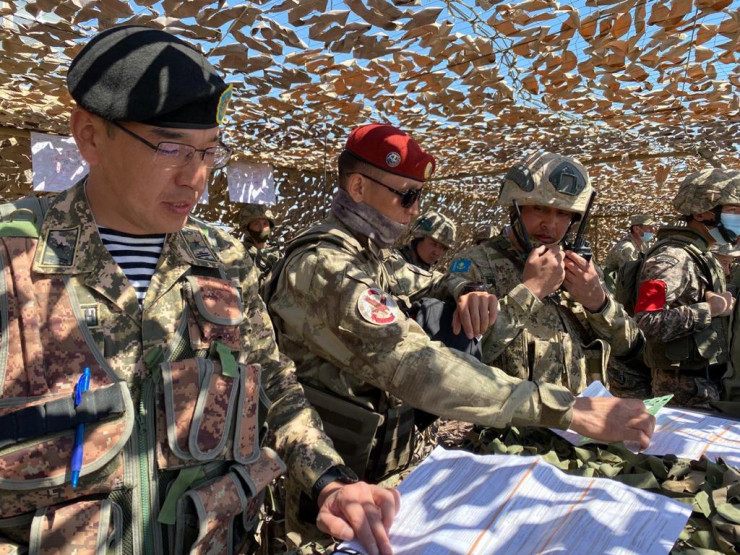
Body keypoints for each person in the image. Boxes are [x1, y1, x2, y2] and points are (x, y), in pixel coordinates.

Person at [0, 26, 398, 555]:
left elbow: (273, 386)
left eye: (210, 152)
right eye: (172, 148)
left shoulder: (223, 259)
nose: (197, 177)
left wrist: (330, 481)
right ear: (90, 136)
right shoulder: (14, 258)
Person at [267, 124, 655, 486]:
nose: (415, 211)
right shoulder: (326, 266)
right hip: (332, 480)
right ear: (357, 187)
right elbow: (419, 367)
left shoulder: (374, 257)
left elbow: (429, 279)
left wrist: (596, 302)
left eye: (563, 214)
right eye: (408, 196)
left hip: (383, 465)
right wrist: (569, 408)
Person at [448, 151, 645, 396]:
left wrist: (599, 304)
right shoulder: (474, 265)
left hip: (584, 417)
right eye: (539, 209)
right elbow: (457, 361)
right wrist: (530, 291)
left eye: (563, 214)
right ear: (516, 209)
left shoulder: (578, 267)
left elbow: (629, 346)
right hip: (513, 420)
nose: (550, 225)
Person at [635, 168, 740, 408]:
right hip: (682, 390)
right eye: (734, 210)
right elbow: (646, 322)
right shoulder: (671, 259)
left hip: (705, 383)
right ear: (702, 213)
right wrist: (709, 310)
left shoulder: (701, 254)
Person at [603, 214, 657, 292]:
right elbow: (630, 277)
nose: (653, 230)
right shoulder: (627, 248)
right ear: (636, 229)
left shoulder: (644, 244)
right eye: (649, 227)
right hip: (615, 287)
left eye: (653, 227)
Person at [241, 202, 281, 284]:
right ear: (247, 230)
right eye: (257, 224)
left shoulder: (276, 253)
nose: (262, 228)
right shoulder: (240, 252)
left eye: (265, 224)